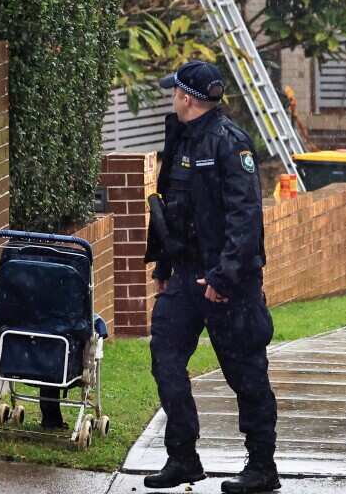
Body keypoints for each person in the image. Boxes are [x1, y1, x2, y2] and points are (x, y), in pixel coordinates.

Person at [143, 61, 279, 493]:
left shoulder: (229, 142)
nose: (172, 98)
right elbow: (169, 207)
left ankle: (261, 467)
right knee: (165, 358)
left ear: (186, 96)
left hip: (229, 284)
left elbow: (245, 217)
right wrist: (163, 267)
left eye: (174, 92)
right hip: (184, 276)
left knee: (247, 373)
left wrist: (223, 278)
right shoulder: (180, 137)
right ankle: (183, 458)